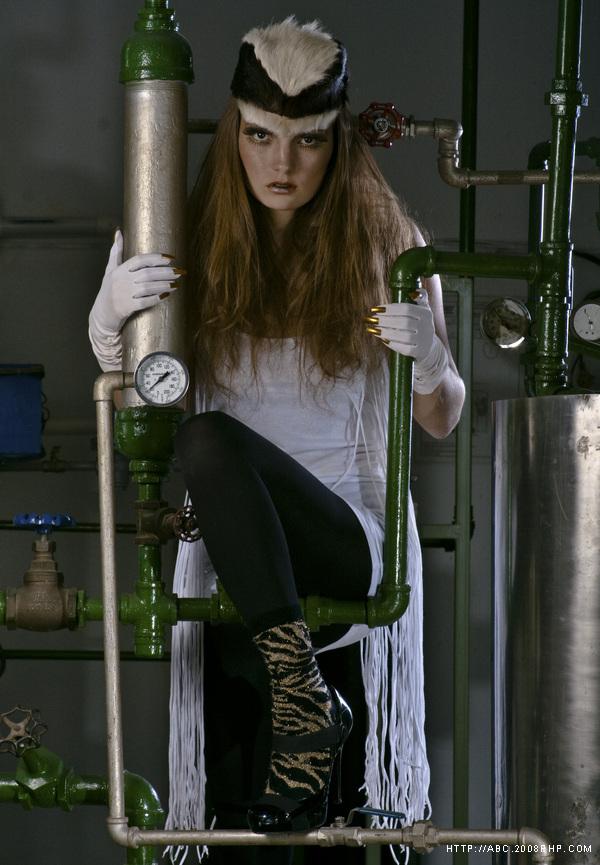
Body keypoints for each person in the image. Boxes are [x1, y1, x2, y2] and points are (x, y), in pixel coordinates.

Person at [89, 14, 464, 847]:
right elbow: (147, 407)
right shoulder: (187, 244)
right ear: (234, 132)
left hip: (349, 543)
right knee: (244, 828)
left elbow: (441, 417)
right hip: (236, 560)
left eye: (307, 141)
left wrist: (433, 362)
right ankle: (303, 704)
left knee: (208, 440)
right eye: (260, 136)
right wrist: (110, 328)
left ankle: (304, 707)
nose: (281, 164)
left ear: (338, 142)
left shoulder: (390, 245)